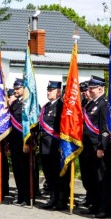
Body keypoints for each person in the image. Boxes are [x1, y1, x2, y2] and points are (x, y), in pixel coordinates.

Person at [80, 75, 110, 219]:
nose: (89, 91)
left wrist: (102, 147)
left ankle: (104, 207)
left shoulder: (104, 104)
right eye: (89, 88)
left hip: (96, 148)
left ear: (100, 89)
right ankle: (94, 204)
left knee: (100, 179)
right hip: (86, 148)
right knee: (90, 179)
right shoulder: (89, 105)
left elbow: (105, 129)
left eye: (92, 88)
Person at [38, 81, 65, 210]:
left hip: (55, 145)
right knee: (48, 174)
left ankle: (60, 201)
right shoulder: (46, 107)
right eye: (48, 90)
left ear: (58, 92)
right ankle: (52, 198)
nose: (48, 92)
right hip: (44, 145)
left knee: (57, 174)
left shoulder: (61, 106)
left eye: (51, 90)